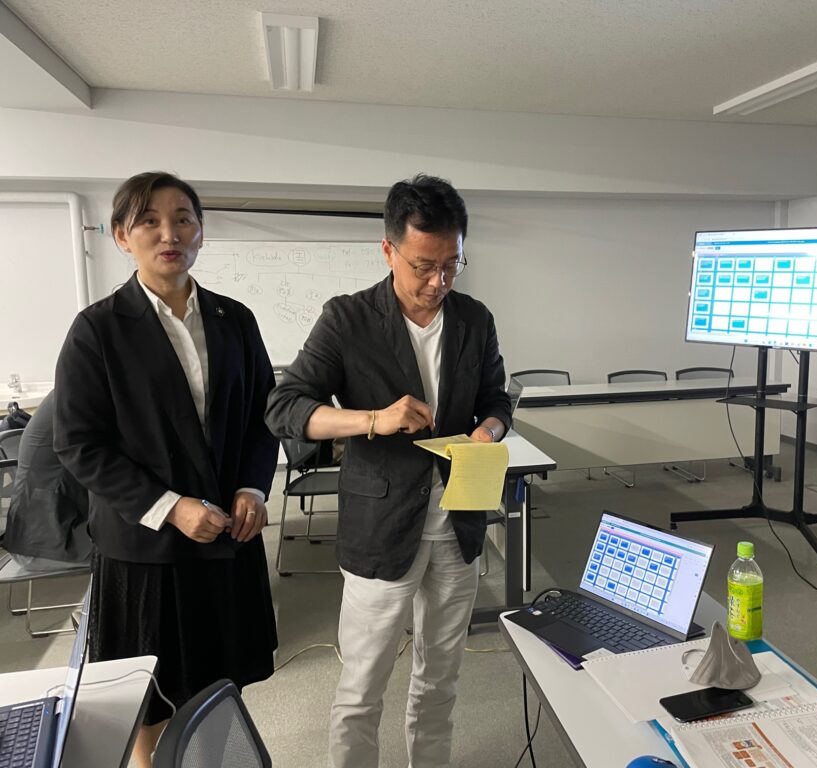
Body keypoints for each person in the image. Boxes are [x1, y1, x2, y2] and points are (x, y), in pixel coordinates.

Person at [266, 173, 511, 768]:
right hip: (380, 527)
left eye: (451, 265)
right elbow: (285, 407)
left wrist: (489, 430)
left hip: (457, 521)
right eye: (424, 266)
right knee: (362, 687)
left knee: (441, 678)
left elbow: (496, 398)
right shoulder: (347, 319)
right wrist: (372, 419)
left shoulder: (474, 318)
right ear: (388, 250)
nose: (438, 282)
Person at [53, 172, 279, 768]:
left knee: (219, 688)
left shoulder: (235, 319)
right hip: (145, 550)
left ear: (201, 230)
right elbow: (79, 443)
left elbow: (263, 418)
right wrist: (171, 507)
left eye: (183, 219)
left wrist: (252, 487)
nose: (169, 234)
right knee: (148, 701)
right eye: (149, 221)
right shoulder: (98, 329)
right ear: (121, 235)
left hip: (226, 538)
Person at [2, 391, 91, 571]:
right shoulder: (80, 396)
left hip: (44, 530)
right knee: (140, 544)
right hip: (48, 539)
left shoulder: (77, 389)